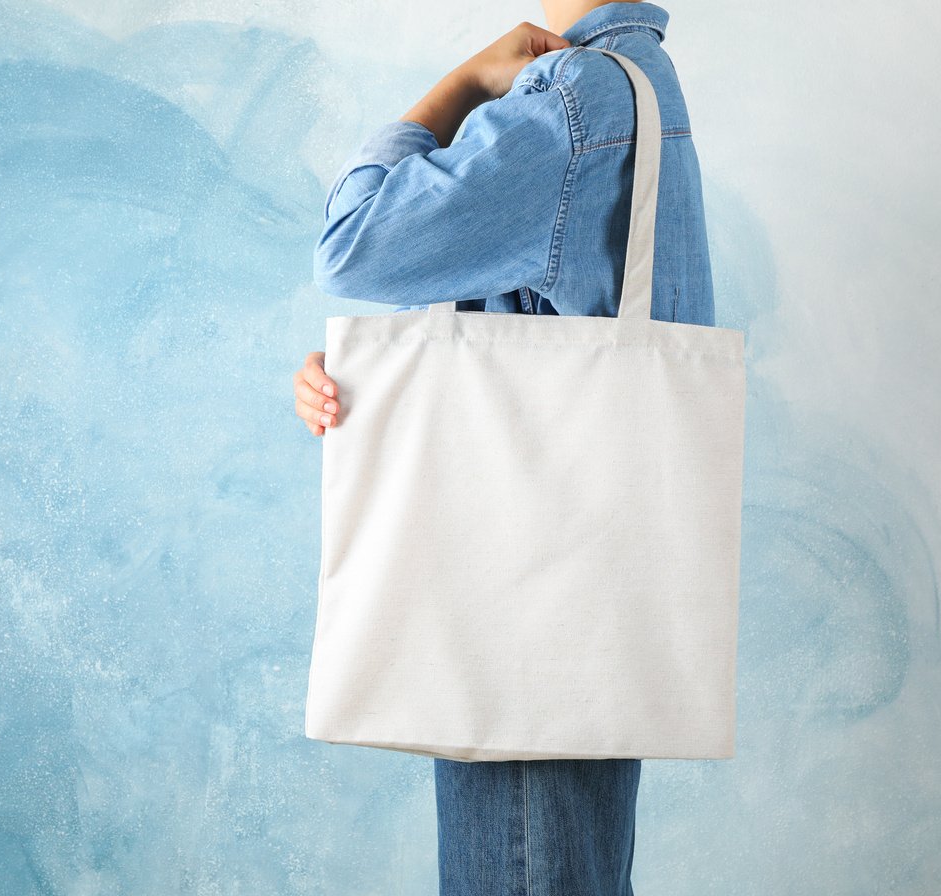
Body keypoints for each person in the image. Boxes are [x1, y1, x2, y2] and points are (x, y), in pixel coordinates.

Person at [291, 2, 714, 892]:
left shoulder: (573, 95)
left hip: (522, 600)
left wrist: (463, 85)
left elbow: (351, 245)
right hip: (585, 588)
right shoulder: (641, 86)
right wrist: (374, 382)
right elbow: (533, 319)